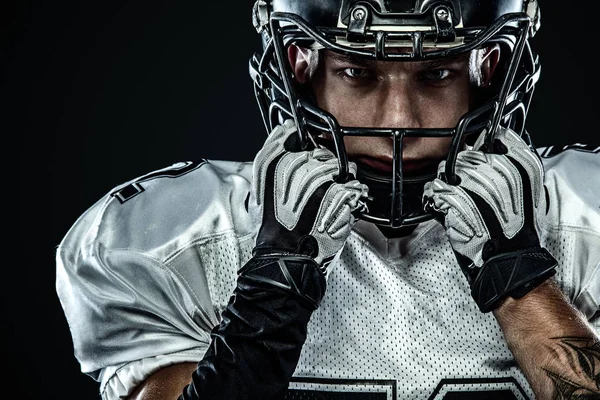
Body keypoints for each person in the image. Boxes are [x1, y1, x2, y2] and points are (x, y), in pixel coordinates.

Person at [55, 0, 600, 399]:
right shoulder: (185, 243)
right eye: (356, 72)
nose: (399, 121)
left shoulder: (583, 222)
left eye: (437, 73)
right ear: (299, 68)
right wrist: (273, 288)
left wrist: (522, 279)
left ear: (491, 73)